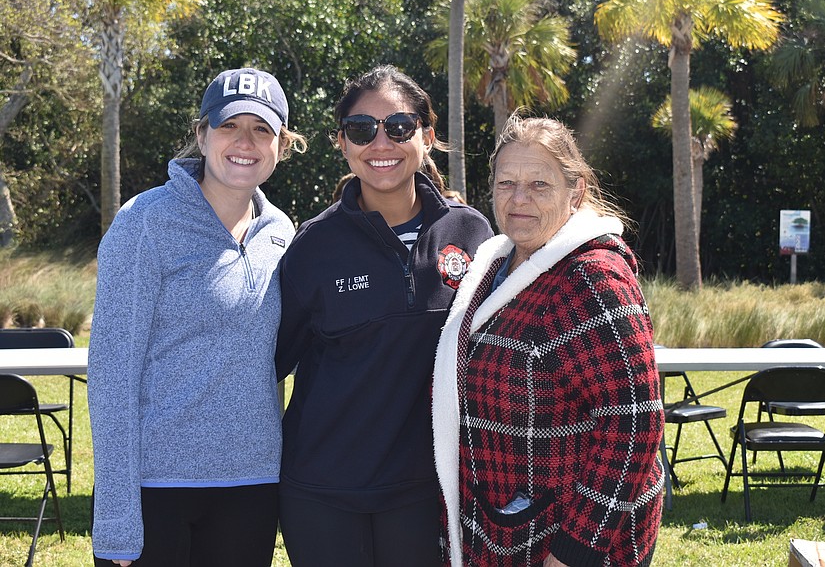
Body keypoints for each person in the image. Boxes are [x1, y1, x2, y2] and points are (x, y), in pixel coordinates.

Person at [274, 64, 493, 566]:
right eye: (361, 129)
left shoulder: (473, 232)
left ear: (427, 137)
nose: (381, 143)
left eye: (398, 127)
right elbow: (270, 363)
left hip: (426, 489)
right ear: (342, 143)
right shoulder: (312, 246)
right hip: (322, 489)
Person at [88, 67, 307, 567]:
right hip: (156, 488)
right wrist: (118, 518)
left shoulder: (281, 232)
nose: (245, 142)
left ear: (281, 145)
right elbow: (112, 376)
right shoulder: (144, 222)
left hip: (251, 487)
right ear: (203, 134)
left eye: (262, 130)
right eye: (230, 125)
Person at [432, 112, 664, 566]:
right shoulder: (493, 266)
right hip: (506, 527)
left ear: (575, 191)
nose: (520, 199)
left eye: (540, 185)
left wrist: (574, 550)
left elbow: (634, 427)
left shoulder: (593, 278)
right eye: (506, 184)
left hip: (567, 541)